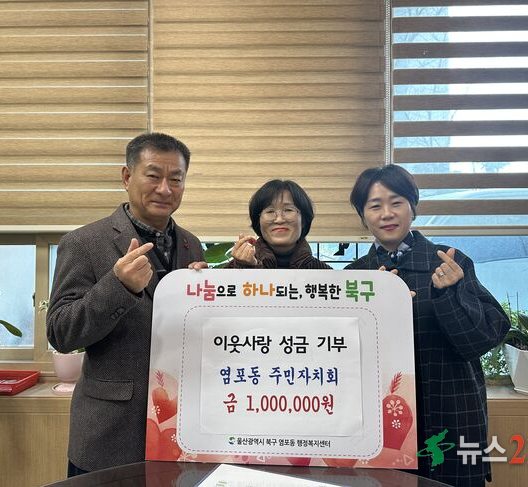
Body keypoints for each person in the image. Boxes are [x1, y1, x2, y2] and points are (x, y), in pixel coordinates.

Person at [47, 133, 204, 476]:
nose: (165, 189)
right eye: (153, 175)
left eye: (176, 179)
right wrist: (117, 286)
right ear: (127, 176)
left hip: (179, 428)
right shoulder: (84, 243)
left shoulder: (191, 245)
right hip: (109, 432)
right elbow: (61, 332)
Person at [345, 165, 510, 487]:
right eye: (375, 206)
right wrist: (374, 306)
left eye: (396, 202)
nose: (387, 214)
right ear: (363, 216)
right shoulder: (356, 276)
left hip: (450, 410)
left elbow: (479, 341)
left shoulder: (449, 262)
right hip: (382, 419)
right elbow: (345, 356)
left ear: (413, 207)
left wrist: (447, 294)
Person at [225, 179, 331, 269]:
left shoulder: (326, 274)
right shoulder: (230, 270)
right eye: (270, 211)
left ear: (303, 220)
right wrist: (246, 268)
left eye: (288, 210)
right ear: (258, 222)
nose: (279, 220)